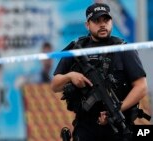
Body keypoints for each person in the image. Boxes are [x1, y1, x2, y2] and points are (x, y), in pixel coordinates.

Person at [51, 3, 149, 141]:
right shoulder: (77, 49)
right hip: (85, 127)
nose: (102, 24)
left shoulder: (123, 49)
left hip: (118, 125)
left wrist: (116, 110)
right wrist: (70, 76)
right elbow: (55, 85)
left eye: (106, 20)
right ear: (87, 25)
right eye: (97, 21)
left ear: (111, 22)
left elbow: (141, 86)